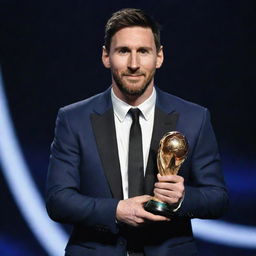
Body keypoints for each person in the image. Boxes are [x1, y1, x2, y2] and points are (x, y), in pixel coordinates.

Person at [46, 8, 228, 256]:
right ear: (106, 56)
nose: (133, 64)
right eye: (123, 51)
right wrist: (116, 210)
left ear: (159, 57)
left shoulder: (195, 118)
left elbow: (217, 198)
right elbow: (58, 200)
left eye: (143, 51)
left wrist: (182, 199)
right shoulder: (72, 119)